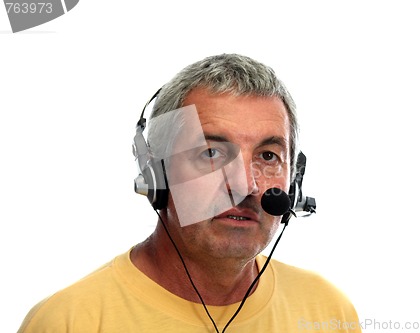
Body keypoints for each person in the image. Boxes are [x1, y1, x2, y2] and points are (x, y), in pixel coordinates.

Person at [18, 54, 362, 332]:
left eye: (268, 156)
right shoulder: (68, 322)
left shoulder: (328, 312)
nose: (245, 185)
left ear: (294, 181)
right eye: (211, 153)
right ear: (158, 175)